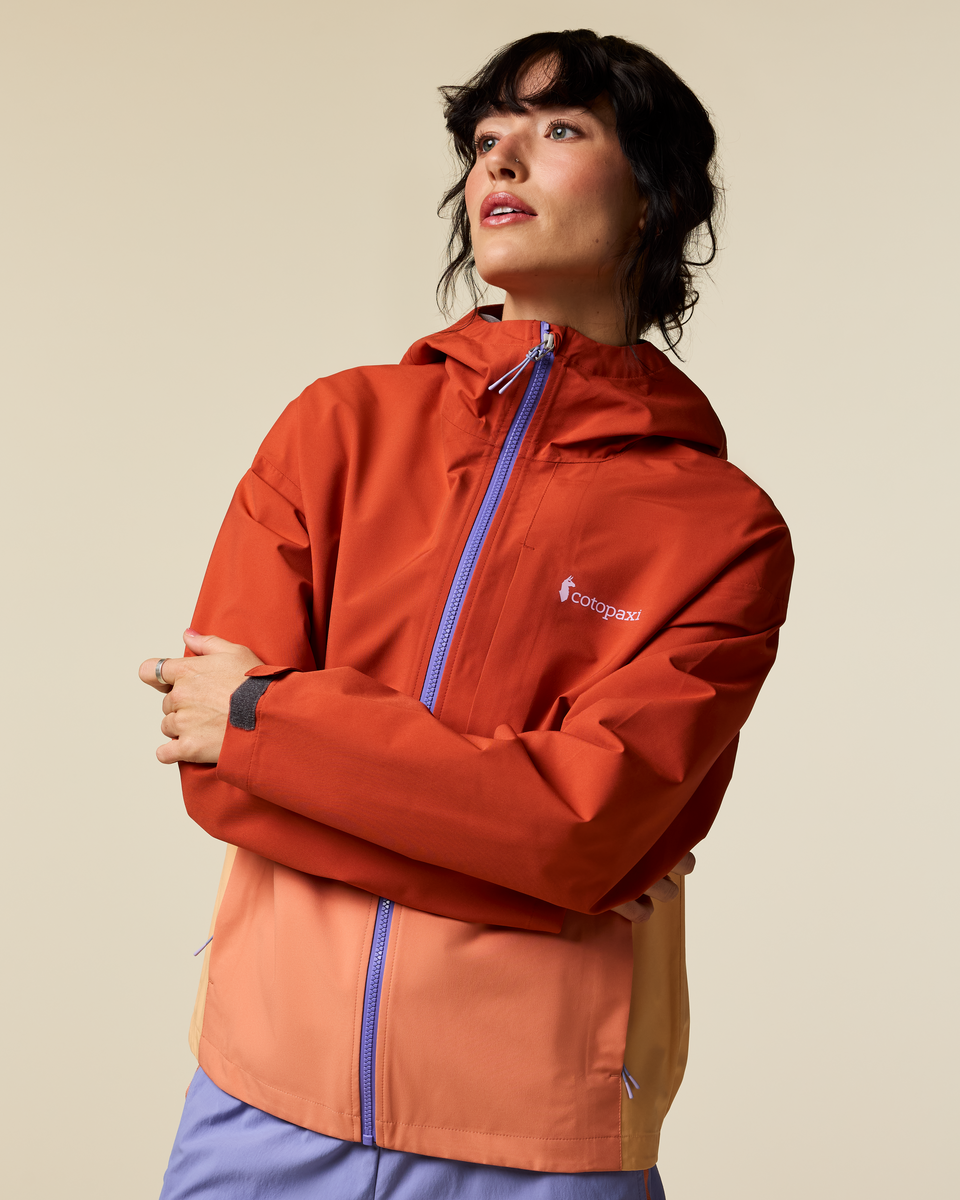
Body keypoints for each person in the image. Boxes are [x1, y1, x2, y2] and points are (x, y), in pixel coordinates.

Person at [141, 28, 793, 1200]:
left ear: (653, 197)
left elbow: (579, 835)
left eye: (558, 129)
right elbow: (217, 774)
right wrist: (537, 865)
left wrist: (273, 726)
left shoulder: (723, 531)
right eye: (487, 139)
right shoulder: (336, 430)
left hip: (541, 1140)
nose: (501, 160)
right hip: (258, 1104)